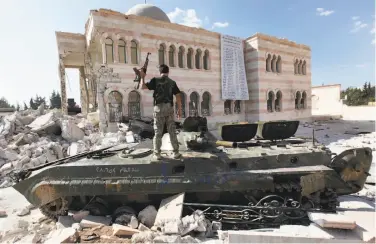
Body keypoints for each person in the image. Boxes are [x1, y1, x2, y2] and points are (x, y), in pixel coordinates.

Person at [140, 64, 182, 161]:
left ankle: (157, 154)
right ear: (168, 72)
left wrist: (142, 76)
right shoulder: (172, 82)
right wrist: (179, 110)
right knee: (172, 131)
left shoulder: (155, 80)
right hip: (169, 109)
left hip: (158, 109)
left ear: (160, 72)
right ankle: (176, 153)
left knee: (158, 132)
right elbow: (178, 96)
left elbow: (143, 87)